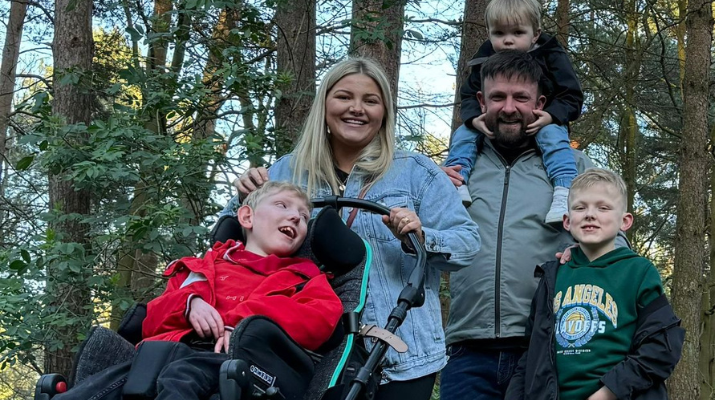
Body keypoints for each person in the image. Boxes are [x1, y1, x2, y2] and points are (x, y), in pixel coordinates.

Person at [228, 57, 480, 400]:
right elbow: (232, 241)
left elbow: (467, 244)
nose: (356, 109)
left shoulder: (417, 172)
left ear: (385, 112)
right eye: (344, 97)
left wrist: (420, 238)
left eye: (370, 101)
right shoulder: (286, 172)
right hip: (306, 351)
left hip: (402, 353)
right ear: (325, 104)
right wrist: (241, 197)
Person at [439, 50, 628, 400]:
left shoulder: (574, 167)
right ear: (481, 101)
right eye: (498, 97)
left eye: (520, 98)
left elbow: (617, 249)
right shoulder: (455, 172)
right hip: (467, 352)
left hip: (550, 348)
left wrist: (586, 253)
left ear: (540, 103)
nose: (509, 108)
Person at [54, 181, 343, 400]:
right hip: (167, 352)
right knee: (105, 382)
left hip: (240, 363)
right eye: (283, 206)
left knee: (181, 376)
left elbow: (321, 318)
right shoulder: (197, 269)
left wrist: (245, 324)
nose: (296, 218)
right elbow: (151, 320)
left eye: (304, 217)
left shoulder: (304, 277)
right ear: (246, 217)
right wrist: (190, 303)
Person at [505, 168, 685, 400]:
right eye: (580, 207)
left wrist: (609, 393)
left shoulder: (638, 271)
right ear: (567, 221)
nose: (590, 214)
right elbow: (531, 353)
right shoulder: (553, 276)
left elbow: (662, 346)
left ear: (625, 221)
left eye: (603, 207)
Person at [444, 0, 583, 224]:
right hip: (489, 125)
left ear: (535, 34)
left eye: (518, 32)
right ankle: (456, 182)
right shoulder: (484, 57)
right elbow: (469, 93)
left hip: (544, 119)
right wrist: (473, 119)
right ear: (489, 33)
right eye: (499, 33)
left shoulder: (552, 54)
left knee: (553, 137)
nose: (508, 40)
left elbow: (572, 94)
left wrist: (551, 115)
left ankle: (563, 190)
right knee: (464, 133)